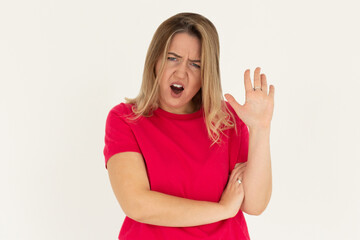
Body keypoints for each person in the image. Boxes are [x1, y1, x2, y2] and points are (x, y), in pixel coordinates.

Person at [103, 12, 274, 240]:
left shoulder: (227, 119)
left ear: (206, 75)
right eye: (172, 58)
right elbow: (137, 204)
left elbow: (255, 204)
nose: (181, 72)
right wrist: (222, 210)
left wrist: (260, 128)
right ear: (155, 61)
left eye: (195, 65)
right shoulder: (125, 119)